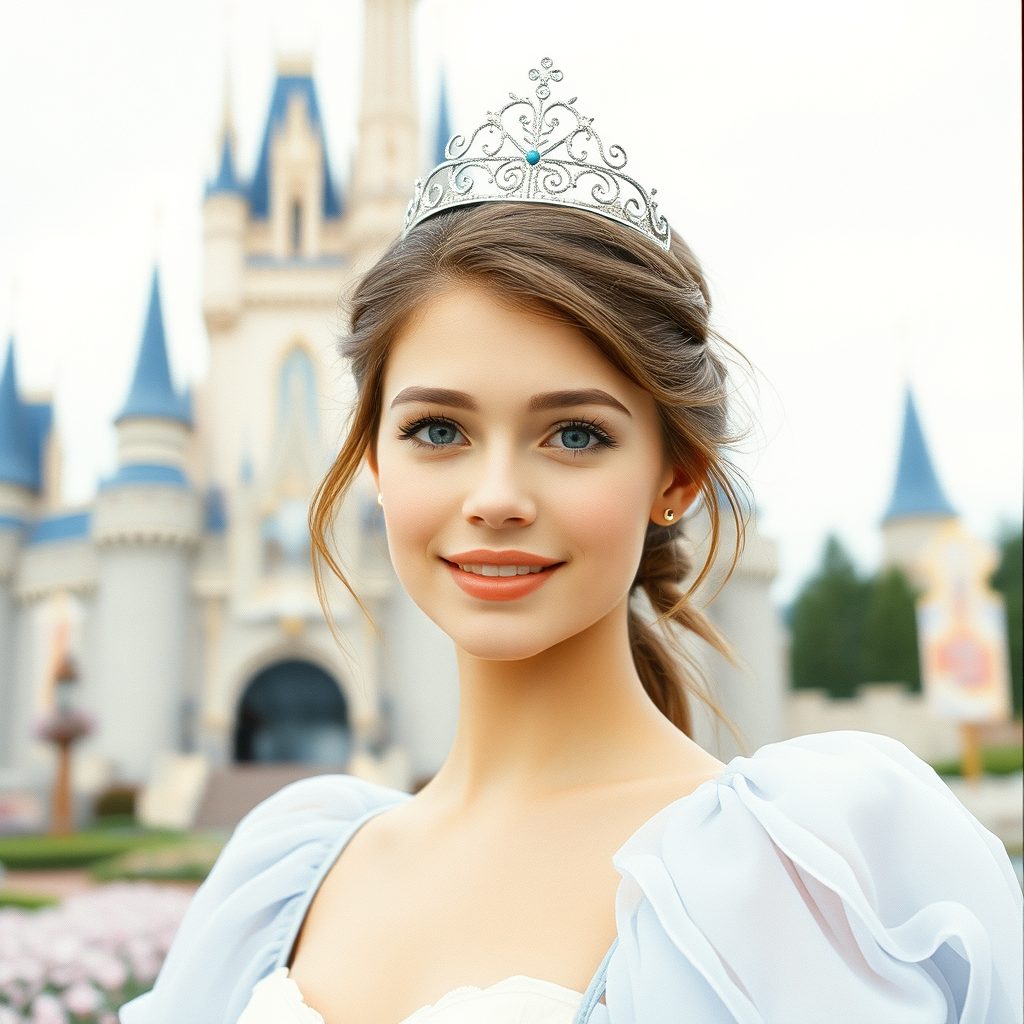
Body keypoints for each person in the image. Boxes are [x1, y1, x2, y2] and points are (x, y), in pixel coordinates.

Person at [120, 60, 1022, 1024]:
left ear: (675, 476)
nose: (497, 496)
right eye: (438, 430)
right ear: (373, 460)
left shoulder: (823, 869)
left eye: (575, 434)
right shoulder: (277, 884)